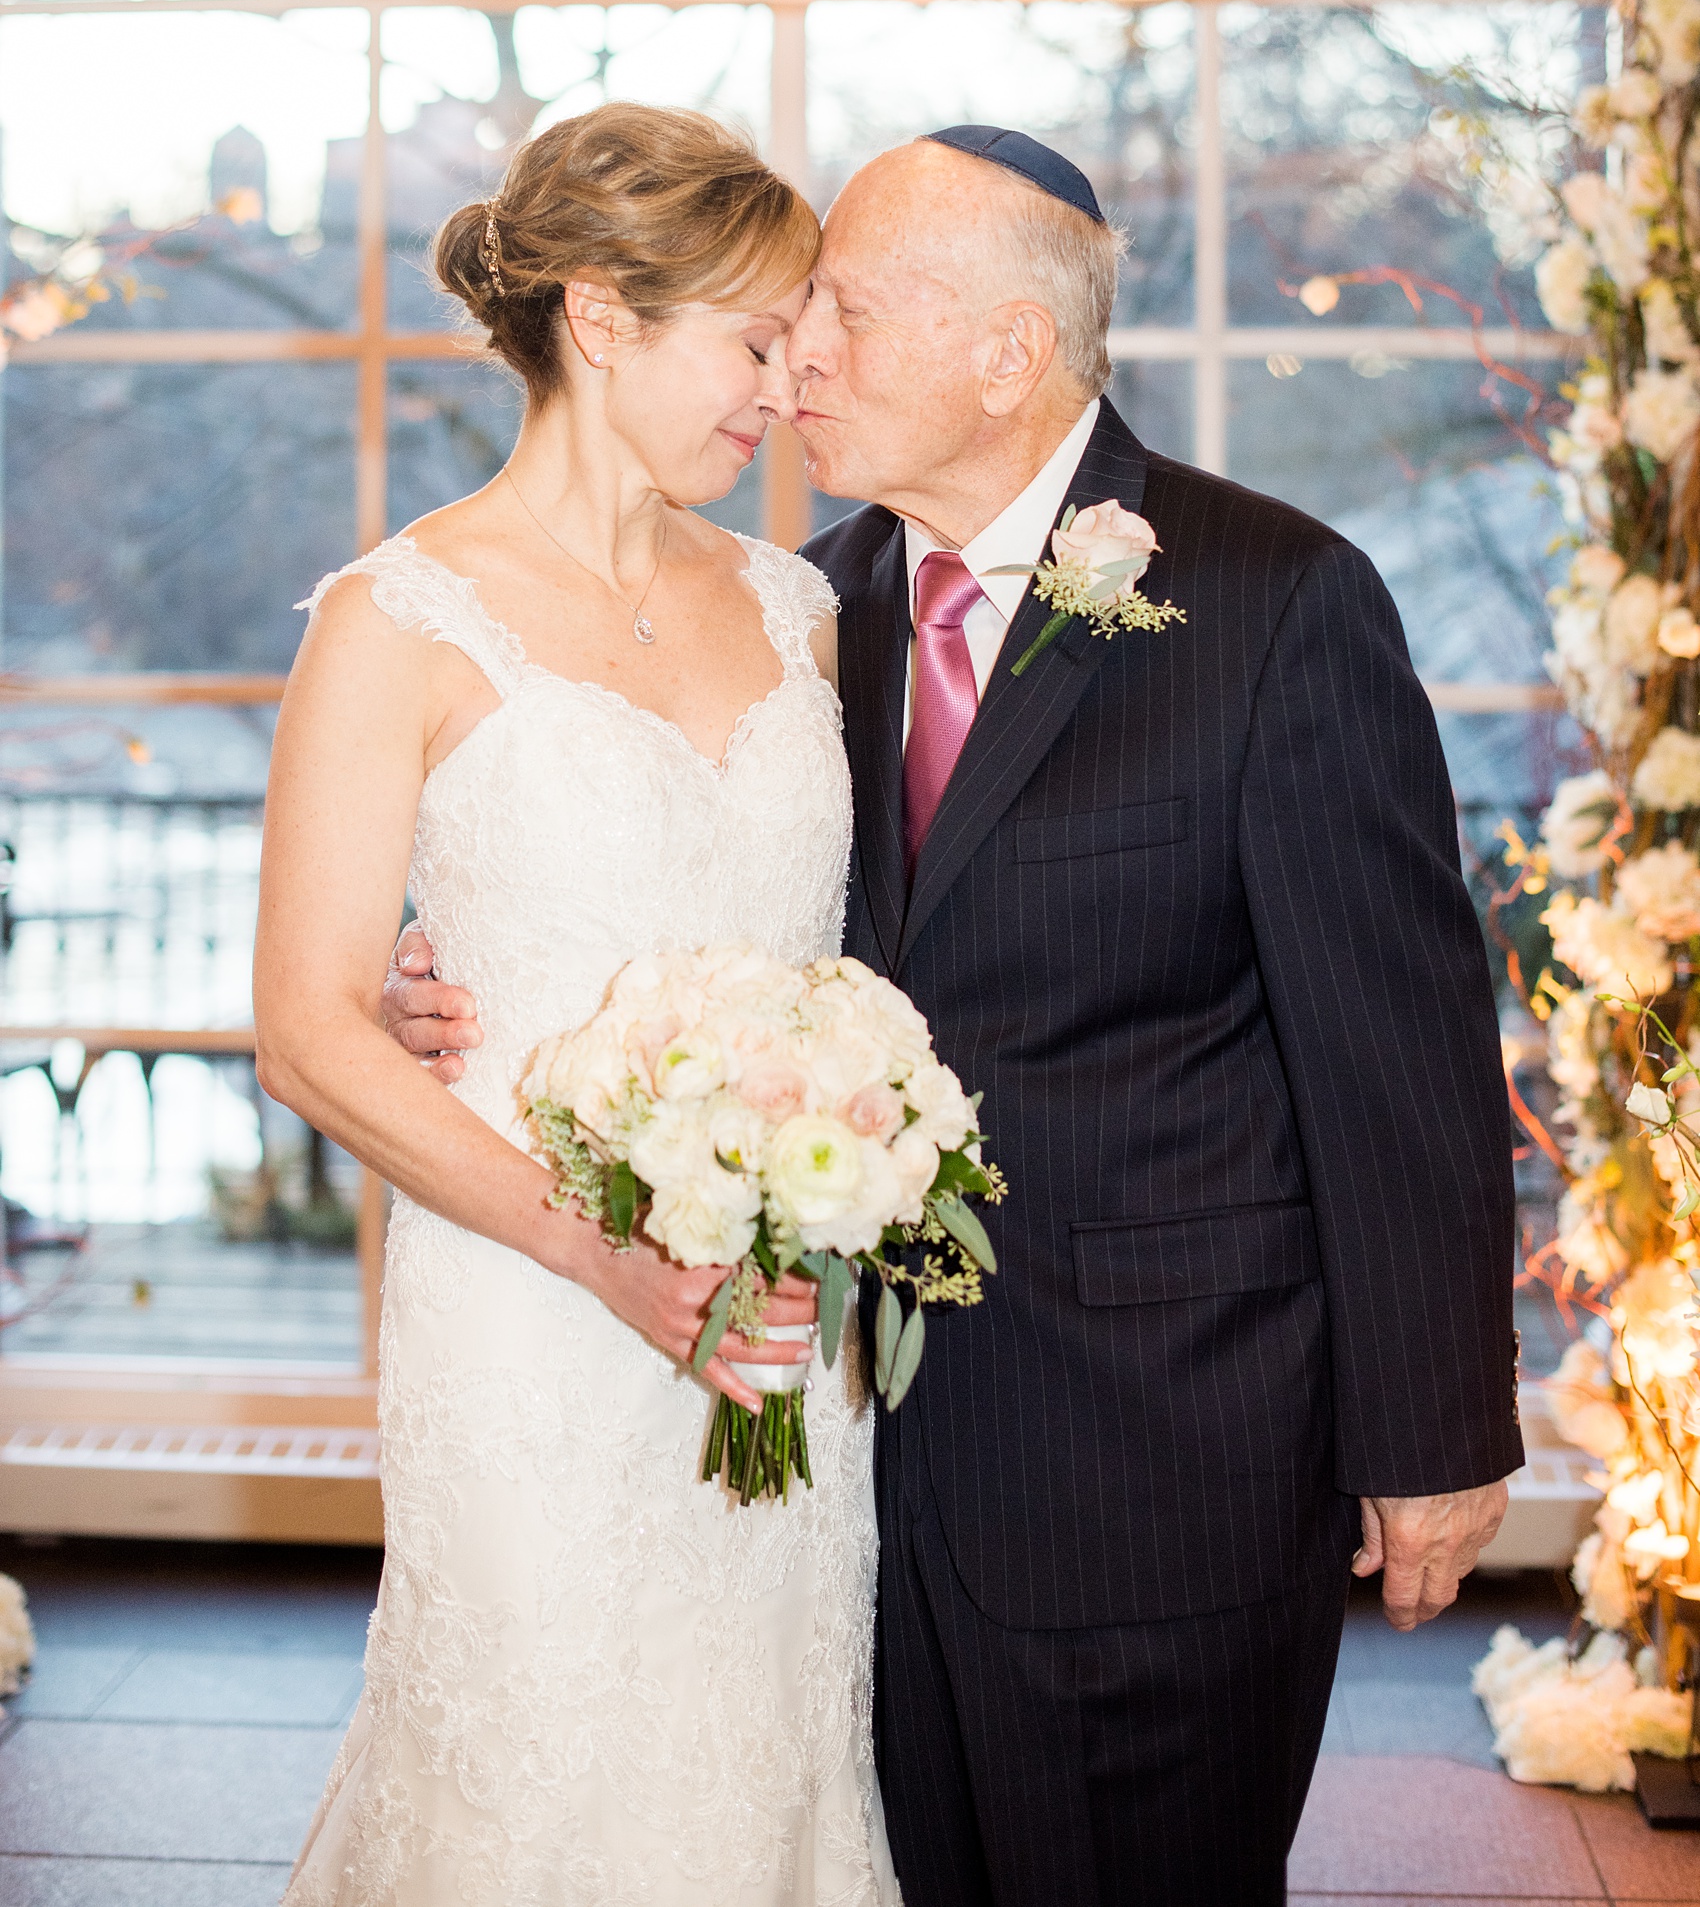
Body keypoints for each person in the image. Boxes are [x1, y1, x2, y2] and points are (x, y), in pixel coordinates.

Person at [387, 123, 1523, 1907]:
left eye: (844, 309)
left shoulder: (1273, 600)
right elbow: (713, 919)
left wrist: (1438, 1435)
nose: (798, 354)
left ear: (1012, 350)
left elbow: (1402, 1058)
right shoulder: (797, 612)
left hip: (1160, 1461)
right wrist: (453, 981)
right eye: (790, 315)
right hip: (840, 1474)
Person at [255, 102, 899, 1907]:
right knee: (540, 1784)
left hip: (785, 1311)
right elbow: (307, 1027)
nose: (789, 385)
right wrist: (597, 1252)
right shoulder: (400, 619)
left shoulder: (801, 608)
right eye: (755, 339)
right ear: (602, 320)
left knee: (766, 1755)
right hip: (527, 1317)